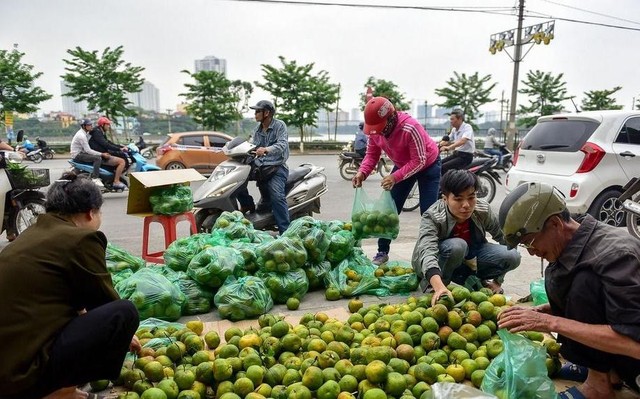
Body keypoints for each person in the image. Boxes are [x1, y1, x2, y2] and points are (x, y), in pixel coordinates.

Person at [0, 172, 140, 399]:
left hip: (8, 362)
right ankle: (58, 393)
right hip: (20, 374)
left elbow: (65, 297)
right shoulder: (80, 239)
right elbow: (105, 302)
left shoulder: (32, 235)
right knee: (124, 313)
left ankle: (63, 389)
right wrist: (126, 336)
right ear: (90, 213)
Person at [498, 181, 640, 399]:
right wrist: (552, 310)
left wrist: (551, 323)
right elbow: (600, 305)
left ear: (555, 224)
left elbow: (634, 343)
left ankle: (598, 387)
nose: (531, 252)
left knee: (584, 281)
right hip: (622, 357)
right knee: (573, 281)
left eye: (530, 242)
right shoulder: (577, 240)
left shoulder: (616, 256)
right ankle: (607, 372)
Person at [352, 96, 441, 265]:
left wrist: (395, 177)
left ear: (391, 118)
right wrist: (362, 172)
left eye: (381, 127)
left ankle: (433, 253)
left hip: (428, 164)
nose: (379, 132)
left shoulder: (410, 128)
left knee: (428, 213)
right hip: (402, 165)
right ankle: (382, 252)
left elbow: (419, 161)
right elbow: (372, 155)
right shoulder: (375, 132)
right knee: (389, 210)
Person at [411, 169, 521, 303]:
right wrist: (439, 287)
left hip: (470, 258)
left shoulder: (482, 210)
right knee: (457, 246)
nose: (466, 205)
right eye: (458, 199)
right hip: (439, 260)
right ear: (445, 199)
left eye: (471, 197)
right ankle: (436, 287)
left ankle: (473, 278)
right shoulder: (433, 216)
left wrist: (498, 281)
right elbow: (427, 251)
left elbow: (507, 239)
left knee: (512, 255)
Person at [236, 100, 290, 234]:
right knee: (236, 180)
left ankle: (286, 232)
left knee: (277, 197)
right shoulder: (257, 130)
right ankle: (247, 203)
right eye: (255, 111)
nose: (255, 114)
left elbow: (282, 144)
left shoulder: (279, 125)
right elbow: (252, 145)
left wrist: (266, 149)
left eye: (258, 111)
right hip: (261, 167)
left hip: (277, 167)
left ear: (267, 113)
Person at [88, 116, 127, 190]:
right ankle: (116, 181)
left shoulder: (100, 131)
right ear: (102, 125)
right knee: (122, 161)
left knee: (117, 155)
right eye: (107, 124)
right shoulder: (97, 132)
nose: (109, 126)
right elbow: (105, 144)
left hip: (101, 153)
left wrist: (119, 146)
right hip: (100, 155)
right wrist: (120, 149)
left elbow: (108, 142)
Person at [70, 119, 108, 188]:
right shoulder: (81, 135)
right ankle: (95, 178)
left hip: (80, 152)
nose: (91, 126)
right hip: (78, 155)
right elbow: (88, 150)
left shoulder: (85, 133)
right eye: (89, 125)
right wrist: (101, 154)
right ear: (84, 126)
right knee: (98, 158)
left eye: (91, 125)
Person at [440, 109, 475, 174]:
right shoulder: (454, 130)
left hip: (466, 156)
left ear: (460, 119)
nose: (451, 121)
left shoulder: (467, 127)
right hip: (457, 154)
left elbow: (463, 141)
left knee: (444, 167)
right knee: (439, 163)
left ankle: (447, 183)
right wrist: (437, 145)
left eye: (452, 119)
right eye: (450, 119)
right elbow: (447, 140)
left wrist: (449, 147)